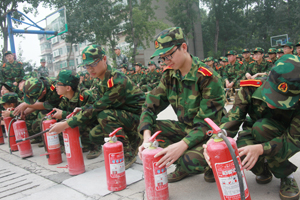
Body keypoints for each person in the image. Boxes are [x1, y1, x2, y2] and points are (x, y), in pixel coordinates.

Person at [204, 54, 300, 200]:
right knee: (243, 150)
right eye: (272, 94)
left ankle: (286, 174)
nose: (272, 103)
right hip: (254, 129)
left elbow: (294, 140)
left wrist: (261, 149)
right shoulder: (250, 88)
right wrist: (215, 140)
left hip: (280, 134)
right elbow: (233, 117)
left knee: (262, 128)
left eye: (282, 100)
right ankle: (265, 167)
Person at [138, 27, 225, 183]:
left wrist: (182, 145)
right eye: (162, 58)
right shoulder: (170, 75)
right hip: (186, 128)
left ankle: (212, 163)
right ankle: (187, 162)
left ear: (183, 47)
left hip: (211, 134)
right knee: (149, 129)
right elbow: (149, 106)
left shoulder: (207, 77)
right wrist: (146, 137)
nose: (166, 62)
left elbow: (206, 124)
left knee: (188, 160)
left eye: (169, 55)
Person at [49, 44, 145, 169]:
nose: (89, 69)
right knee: (95, 134)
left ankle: (128, 153)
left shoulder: (116, 80)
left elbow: (97, 108)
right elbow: (96, 103)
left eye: (93, 64)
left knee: (103, 115)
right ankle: (134, 139)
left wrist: (66, 124)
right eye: (86, 66)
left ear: (104, 59)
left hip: (140, 119)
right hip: (123, 117)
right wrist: (82, 109)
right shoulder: (99, 79)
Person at [51, 70, 99, 159]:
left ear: (68, 88)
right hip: (82, 123)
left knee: (80, 125)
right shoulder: (65, 98)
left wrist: (64, 114)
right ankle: (82, 144)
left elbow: (90, 116)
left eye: (58, 84)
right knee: (59, 124)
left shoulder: (85, 95)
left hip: (94, 125)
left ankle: (95, 147)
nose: (55, 86)